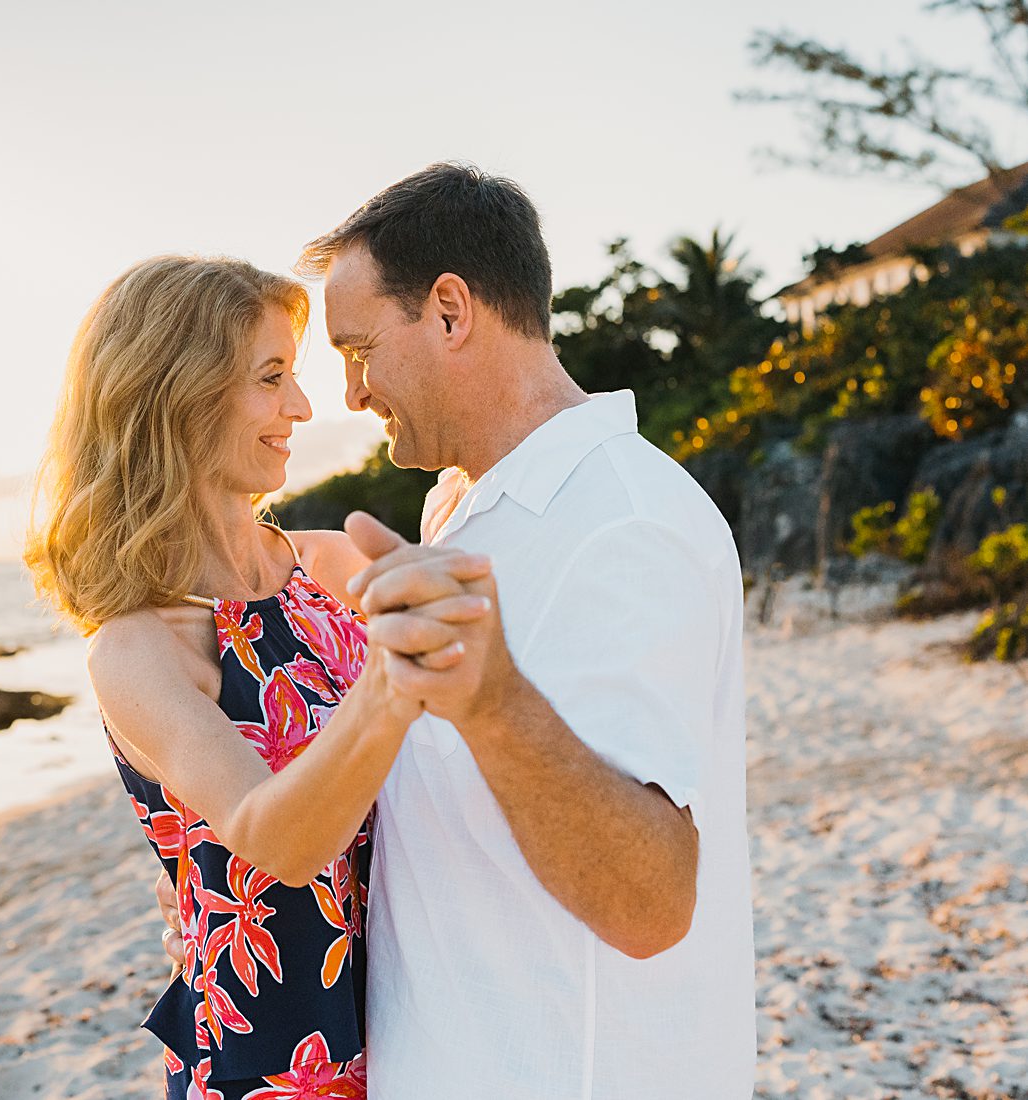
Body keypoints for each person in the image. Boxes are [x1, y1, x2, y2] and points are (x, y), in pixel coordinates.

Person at [158, 164, 755, 1098]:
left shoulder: (624, 521)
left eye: (359, 350)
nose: (350, 394)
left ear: (449, 311)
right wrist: (216, 896)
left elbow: (651, 902)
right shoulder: (464, 510)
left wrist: (495, 701)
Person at [24, 254, 490, 1099]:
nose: (303, 408)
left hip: (426, 1022)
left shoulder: (333, 565)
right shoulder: (138, 651)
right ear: (179, 395)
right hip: (277, 1061)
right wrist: (396, 680)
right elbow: (277, 844)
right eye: (271, 378)